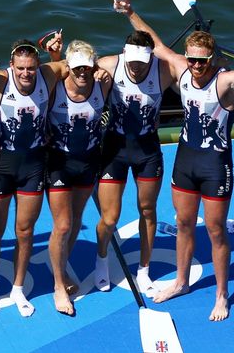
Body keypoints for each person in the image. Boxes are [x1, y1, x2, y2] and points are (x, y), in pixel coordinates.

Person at [117, 0, 234, 321]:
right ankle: (181, 282)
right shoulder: (182, 69)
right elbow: (155, 45)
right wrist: (130, 12)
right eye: (193, 60)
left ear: (212, 59)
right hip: (185, 160)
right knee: (184, 224)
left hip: (215, 165)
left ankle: (222, 295)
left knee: (215, 231)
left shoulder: (226, 80)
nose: (197, 66)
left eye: (203, 61)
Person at [0, 40, 67, 317]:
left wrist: (56, 51)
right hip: (2, 165)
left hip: (33, 166)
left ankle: (18, 288)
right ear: (11, 65)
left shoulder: (49, 75)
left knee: (25, 231)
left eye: (30, 68)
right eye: (20, 68)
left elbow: (72, 66)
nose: (26, 74)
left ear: (38, 65)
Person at [93, 29, 174, 296]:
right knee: (110, 217)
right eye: (132, 63)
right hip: (114, 149)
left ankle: (144, 270)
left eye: (142, 64)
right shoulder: (108, 65)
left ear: (151, 58)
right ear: (124, 55)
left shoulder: (163, 71)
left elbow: (197, 69)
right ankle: (102, 261)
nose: (136, 69)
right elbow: (69, 72)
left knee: (148, 211)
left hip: (147, 151)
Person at [45, 40, 109, 315]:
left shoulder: (102, 85)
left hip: (88, 161)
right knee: (62, 225)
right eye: (77, 68)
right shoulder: (53, 89)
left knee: (77, 219)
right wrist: (54, 55)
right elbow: (47, 71)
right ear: (68, 67)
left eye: (87, 67)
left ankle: (62, 265)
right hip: (58, 162)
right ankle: (59, 285)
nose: (82, 73)